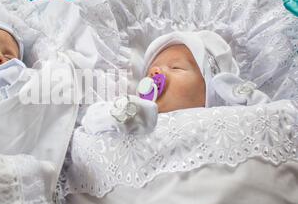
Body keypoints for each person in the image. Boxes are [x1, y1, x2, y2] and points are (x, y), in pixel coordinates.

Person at [81, 30, 271, 136]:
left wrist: (245, 97)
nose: (156, 72)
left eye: (176, 68)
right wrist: (125, 115)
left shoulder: (225, 121)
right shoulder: (136, 117)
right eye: (151, 70)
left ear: (211, 92)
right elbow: (89, 123)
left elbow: (271, 124)